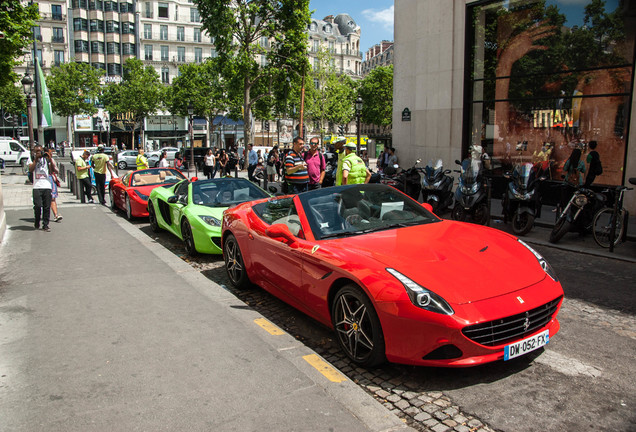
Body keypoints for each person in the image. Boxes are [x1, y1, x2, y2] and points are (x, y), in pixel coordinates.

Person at [28, 145, 55, 231]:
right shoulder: (31, 158)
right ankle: (37, 221)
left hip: (47, 186)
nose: (39, 153)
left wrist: (50, 159)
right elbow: (30, 169)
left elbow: (51, 171)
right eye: (37, 151)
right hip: (37, 186)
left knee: (47, 206)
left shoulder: (46, 159)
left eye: (40, 151)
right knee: (38, 205)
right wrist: (36, 159)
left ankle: (45, 225)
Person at [46, 148, 63, 222]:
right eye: (49, 153)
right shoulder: (38, 160)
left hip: (50, 179)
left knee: (52, 198)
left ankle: (56, 215)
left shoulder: (51, 160)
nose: (50, 154)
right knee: (45, 200)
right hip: (42, 181)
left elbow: (56, 170)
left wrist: (50, 162)